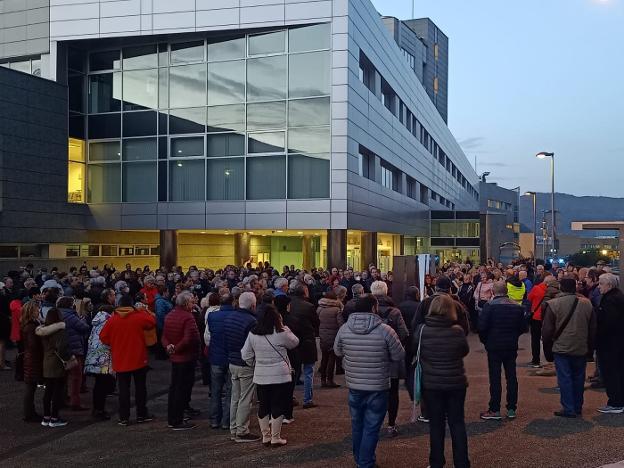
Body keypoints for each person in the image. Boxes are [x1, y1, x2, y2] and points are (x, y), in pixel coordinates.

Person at [334, 294, 405, 468]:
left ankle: (360, 459)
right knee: (372, 426)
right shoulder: (385, 330)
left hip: (354, 384)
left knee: (357, 424)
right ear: (374, 308)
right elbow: (399, 355)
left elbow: (337, 351)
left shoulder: (344, 329)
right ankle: (365, 462)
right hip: (377, 384)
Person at [414, 295, 470, 468]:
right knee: (457, 423)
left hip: (432, 384)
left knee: (436, 425)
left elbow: (416, 351)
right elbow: (464, 351)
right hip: (455, 382)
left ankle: (436, 462)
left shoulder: (422, 330)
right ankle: (461, 463)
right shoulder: (457, 331)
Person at [241, 304, 299, 447]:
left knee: (264, 406)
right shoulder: (281, 332)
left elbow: (245, 354)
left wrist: (255, 364)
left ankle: (265, 436)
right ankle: (275, 437)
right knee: (278, 405)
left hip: (261, 374)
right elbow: (295, 343)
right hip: (280, 374)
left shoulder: (253, 333)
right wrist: (286, 327)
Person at [542, 278, 596, 418]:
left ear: (560, 287)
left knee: (564, 378)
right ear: (575, 287)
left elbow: (547, 330)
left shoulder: (553, 304)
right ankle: (577, 406)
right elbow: (592, 328)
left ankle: (568, 408)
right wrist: (591, 348)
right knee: (579, 377)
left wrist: (547, 350)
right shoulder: (587, 303)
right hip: (580, 345)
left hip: (561, 346)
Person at [99, 294, 156, 426]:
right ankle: (142, 414)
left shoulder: (113, 320)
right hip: (138, 357)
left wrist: (115, 343)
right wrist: (143, 310)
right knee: (140, 388)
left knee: (123, 390)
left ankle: (124, 417)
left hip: (120, 358)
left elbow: (103, 337)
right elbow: (152, 322)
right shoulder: (138, 316)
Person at [478, 281, 528, 420]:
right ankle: (511, 407)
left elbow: (482, 327)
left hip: (494, 345)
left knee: (495, 377)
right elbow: (523, 327)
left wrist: (486, 341)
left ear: (493, 292)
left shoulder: (489, 306)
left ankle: (495, 409)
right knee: (511, 376)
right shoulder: (516, 307)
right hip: (511, 344)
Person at [370, 280, 408, 437]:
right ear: (386, 291)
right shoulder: (394, 311)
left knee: (373, 393)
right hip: (391, 358)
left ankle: (373, 424)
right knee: (392, 392)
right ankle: (391, 425)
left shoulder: (366, 310)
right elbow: (404, 333)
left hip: (372, 358)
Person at [224, 291, 260, 442]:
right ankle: (242, 431)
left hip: (232, 361)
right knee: (246, 399)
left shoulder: (230, 317)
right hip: (245, 363)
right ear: (253, 305)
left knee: (235, 397)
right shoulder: (252, 321)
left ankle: (234, 429)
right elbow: (252, 345)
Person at [162, 291, 201, 430]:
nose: (194, 304)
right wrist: (176, 348)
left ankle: (173, 417)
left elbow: (164, 336)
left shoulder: (170, 315)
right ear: (185, 303)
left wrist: (169, 347)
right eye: (191, 302)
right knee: (181, 388)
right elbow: (190, 338)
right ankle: (176, 420)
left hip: (175, 357)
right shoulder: (188, 317)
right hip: (185, 357)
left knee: (174, 388)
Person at [36, 308, 70, 428]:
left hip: (47, 361)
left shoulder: (43, 331)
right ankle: (54, 417)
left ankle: (46, 417)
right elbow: (62, 348)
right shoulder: (60, 331)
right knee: (57, 391)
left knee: (48, 391)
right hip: (57, 363)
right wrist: (68, 358)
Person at [595, 273, 624, 414]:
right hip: (616, 342)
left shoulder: (611, 300)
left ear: (609, 285)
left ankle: (616, 402)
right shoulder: (616, 296)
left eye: (601, 283)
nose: (598, 286)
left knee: (611, 373)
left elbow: (608, 323)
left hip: (610, 344)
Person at [289, 283, 320, 409]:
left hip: (291, 339)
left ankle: (289, 397)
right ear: (305, 292)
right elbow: (316, 323)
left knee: (292, 371)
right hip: (307, 340)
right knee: (308, 371)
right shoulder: (309, 306)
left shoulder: (289, 304)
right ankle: (307, 399)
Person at [57, 296, 90, 411]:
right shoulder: (71, 316)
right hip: (74, 350)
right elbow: (84, 327)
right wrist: (82, 317)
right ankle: (75, 402)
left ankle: (61, 399)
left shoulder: (56, 314)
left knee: (63, 376)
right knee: (76, 377)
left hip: (60, 350)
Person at [207, 294, 235, 430]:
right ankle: (226, 421)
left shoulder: (212, 316)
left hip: (216, 357)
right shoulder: (235, 316)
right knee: (230, 390)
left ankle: (214, 420)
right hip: (230, 358)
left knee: (216, 390)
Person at [84, 305, 115, 421]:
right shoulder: (108, 322)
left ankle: (97, 408)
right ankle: (99, 410)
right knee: (102, 385)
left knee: (98, 384)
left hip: (93, 356)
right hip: (103, 358)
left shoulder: (97, 321)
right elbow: (107, 339)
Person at [20, 300, 43, 422]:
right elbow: (33, 345)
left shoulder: (28, 325)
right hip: (33, 359)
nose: (38, 311)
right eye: (36, 310)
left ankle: (30, 412)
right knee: (30, 387)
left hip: (31, 358)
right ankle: (29, 413)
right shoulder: (31, 326)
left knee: (31, 387)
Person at [317, 291, 344, 388]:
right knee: (332, 358)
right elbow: (341, 324)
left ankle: (323, 380)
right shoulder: (337, 310)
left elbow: (316, 322)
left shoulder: (319, 308)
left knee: (324, 358)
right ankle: (330, 380)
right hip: (334, 336)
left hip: (323, 336)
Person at [526, 273, 553, 368]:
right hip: (548, 317)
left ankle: (536, 360)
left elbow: (529, 298)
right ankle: (550, 358)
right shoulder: (553, 291)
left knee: (535, 339)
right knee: (548, 338)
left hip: (536, 317)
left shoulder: (536, 288)